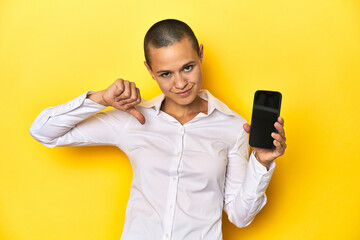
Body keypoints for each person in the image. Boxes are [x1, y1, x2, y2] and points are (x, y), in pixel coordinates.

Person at [29, 19, 287, 240]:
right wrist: (100, 99)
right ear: (150, 71)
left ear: (200, 54)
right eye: (165, 74)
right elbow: (43, 131)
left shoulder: (232, 126)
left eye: (188, 67)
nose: (180, 83)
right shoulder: (133, 118)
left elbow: (240, 217)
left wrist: (261, 163)